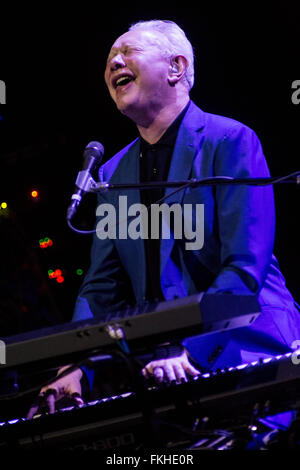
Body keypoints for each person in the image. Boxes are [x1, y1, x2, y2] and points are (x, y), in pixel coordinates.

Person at [35, 20, 300, 410]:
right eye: (110, 58)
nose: (114, 64)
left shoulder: (228, 140)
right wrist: (73, 366)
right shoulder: (112, 174)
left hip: (252, 346)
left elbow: (245, 265)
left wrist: (193, 349)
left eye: (128, 52)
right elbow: (101, 289)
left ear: (176, 67)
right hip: (165, 367)